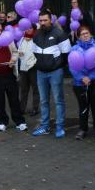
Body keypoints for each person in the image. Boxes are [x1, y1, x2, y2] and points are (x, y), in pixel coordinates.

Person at [31, 10, 71, 138]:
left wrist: (57, 65)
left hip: (55, 72)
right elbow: (34, 52)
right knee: (43, 101)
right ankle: (45, 126)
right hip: (40, 73)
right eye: (40, 20)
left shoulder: (60, 34)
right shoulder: (36, 35)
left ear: (51, 20)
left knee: (58, 100)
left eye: (45, 20)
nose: (42, 23)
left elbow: (66, 54)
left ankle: (60, 127)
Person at [68, 26, 95, 140]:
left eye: (87, 33)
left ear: (90, 34)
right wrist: (81, 78)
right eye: (82, 34)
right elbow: (72, 66)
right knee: (83, 107)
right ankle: (82, 129)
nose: (85, 35)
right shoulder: (74, 48)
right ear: (79, 37)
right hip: (79, 83)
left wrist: (90, 77)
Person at [17, 26, 39, 117]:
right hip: (23, 67)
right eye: (27, 28)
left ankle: (35, 108)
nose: (29, 29)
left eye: (31, 28)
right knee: (23, 89)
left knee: (35, 89)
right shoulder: (22, 39)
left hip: (33, 67)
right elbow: (19, 51)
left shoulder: (36, 39)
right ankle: (22, 109)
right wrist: (19, 53)